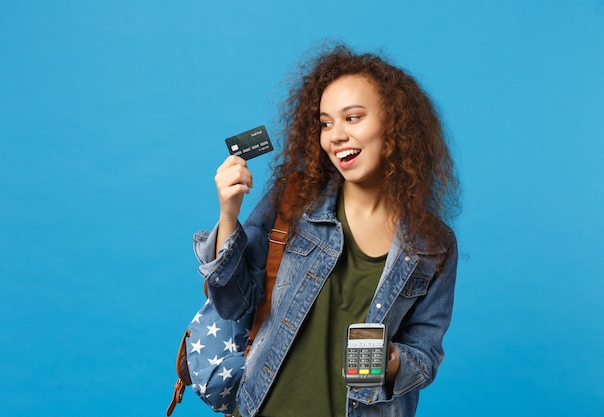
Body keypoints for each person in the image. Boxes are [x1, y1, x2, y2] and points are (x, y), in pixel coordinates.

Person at [194, 44, 460, 417]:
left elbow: (426, 354)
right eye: (325, 122)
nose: (335, 136)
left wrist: (392, 358)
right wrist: (228, 213)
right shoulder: (292, 200)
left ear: (395, 124)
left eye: (353, 118)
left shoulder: (433, 244)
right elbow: (233, 303)